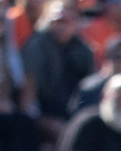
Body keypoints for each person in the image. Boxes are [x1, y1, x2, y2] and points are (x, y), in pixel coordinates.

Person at [24, 2, 91, 134]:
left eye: (67, 21)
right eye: (58, 21)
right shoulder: (37, 45)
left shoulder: (83, 49)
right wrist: (37, 119)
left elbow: (89, 84)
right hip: (44, 111)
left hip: (74, 112)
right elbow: (28, 89)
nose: (62, 26)